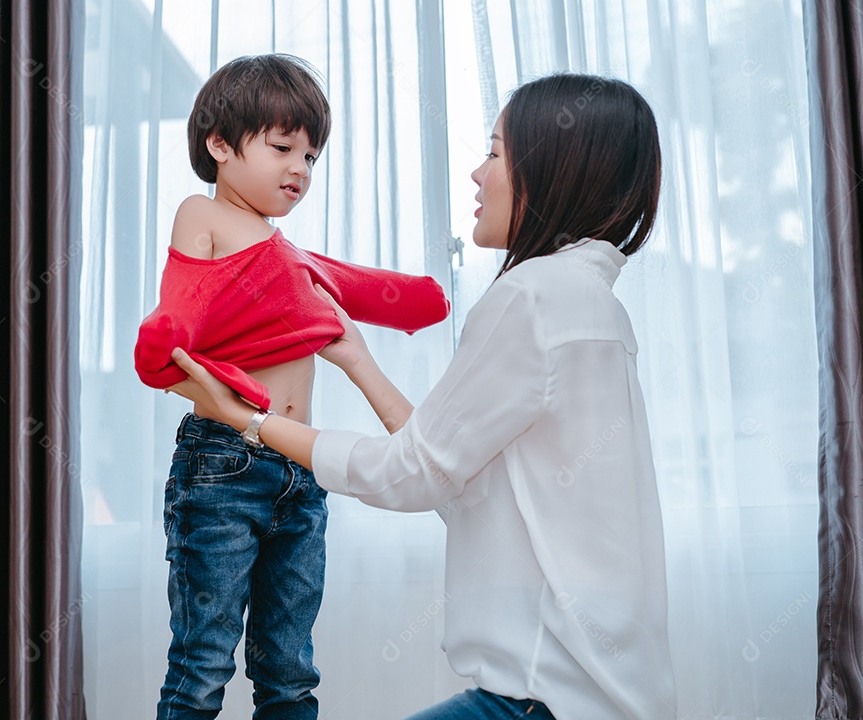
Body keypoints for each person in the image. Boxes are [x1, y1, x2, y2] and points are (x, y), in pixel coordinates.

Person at [167, 73, 679, 720]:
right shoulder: (589, 306)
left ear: (553, 170)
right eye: (282, 148)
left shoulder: (532, 299)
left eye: (494, 153)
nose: (475, 173)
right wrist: (357, 359)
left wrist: (251, 423)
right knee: (219, 667)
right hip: (597, 696)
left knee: (282, 673)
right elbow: (456, 478)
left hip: (542, 700)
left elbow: (413, 474)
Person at [134, 53, 450, 720]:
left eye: (310, 156)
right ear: (220, 144)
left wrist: (407, 304)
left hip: (300, 467)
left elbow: (368, 291)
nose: (299, 170)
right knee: (202, 666)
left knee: (290, 670)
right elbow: (179, 318)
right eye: (282, 148)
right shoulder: (204, 213)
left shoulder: (291, 257)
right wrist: (172, 344)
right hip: (222, 463)